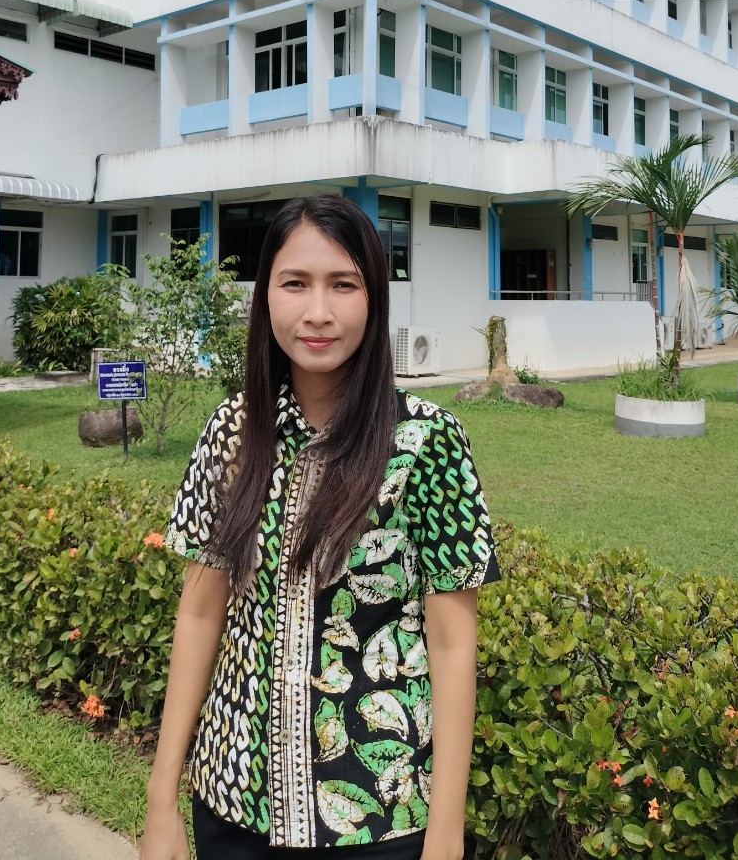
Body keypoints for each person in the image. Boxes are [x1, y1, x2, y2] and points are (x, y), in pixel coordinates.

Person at [140, 195, 498, 860]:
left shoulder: (427, 440)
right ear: (265, 297)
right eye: (295, 283)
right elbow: (199, 612)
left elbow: (453, 644)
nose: (318, 312)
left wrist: (446, 834)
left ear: (375, 298)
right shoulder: (231, 432)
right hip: (231, 803)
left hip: (380, 819)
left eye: (343, 285)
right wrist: (162, 799)